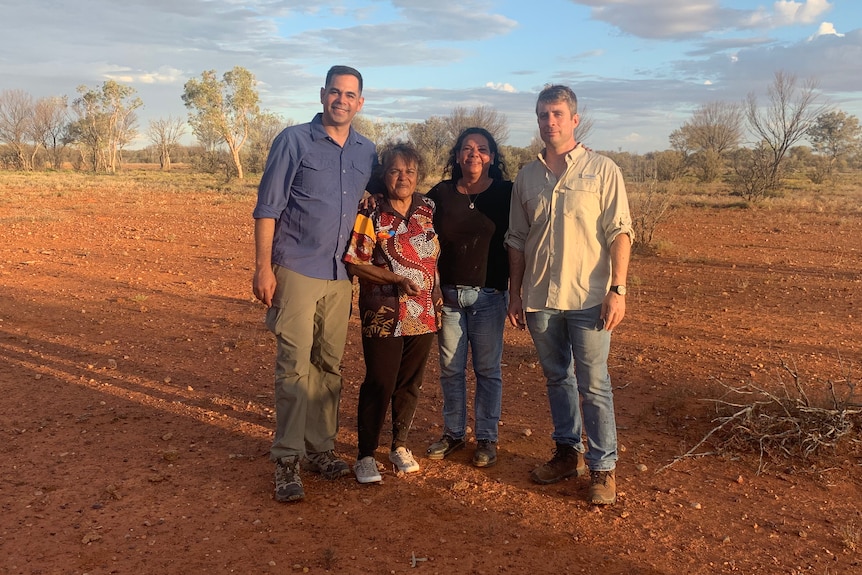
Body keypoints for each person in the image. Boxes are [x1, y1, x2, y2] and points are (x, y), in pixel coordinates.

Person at [252, 65, 377, 503]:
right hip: (298, 268)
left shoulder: (367, 151)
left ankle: (320, 448)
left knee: (329, 366)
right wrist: (263, 268)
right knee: (293, 366)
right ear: (323, 95)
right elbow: (268, 207)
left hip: (341, 276)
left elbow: (376, 203)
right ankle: (287, 457)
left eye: (350, 95)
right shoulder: (294, 140)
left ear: (361, 102)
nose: (342, 100)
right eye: (335, 92)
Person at [505, 84, 633, 505]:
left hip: (590, 298)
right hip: (541, 297)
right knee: (557, 378)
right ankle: (567, 454)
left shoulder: (602, 170)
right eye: (543, 114)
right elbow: (517, 239)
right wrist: (515, 294)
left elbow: (620, 231)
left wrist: (618, 288)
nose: (550, 122)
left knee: (594, 383)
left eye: (558, 114)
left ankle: (603, 468)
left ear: (575, 119)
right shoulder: (527, 176)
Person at [342, 143, 442, 484]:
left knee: (409, 383)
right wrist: (395, 279)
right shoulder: (371, 211)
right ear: (383, 175)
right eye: (396, 171)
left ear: (419, 176)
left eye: (410, 171)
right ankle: (366, 454)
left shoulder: (427, 208)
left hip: (423, 311)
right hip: (383, 311)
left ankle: (399, 445)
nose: (403, 177)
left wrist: (436, 294)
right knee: (380, 382)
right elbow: (356, 262)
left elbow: (432, 256)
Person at [424, 127, 512, 468]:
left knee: (488, 370)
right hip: (448, 297)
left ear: (492, 157)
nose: (473, 154)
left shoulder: (507, 192)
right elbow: (413, 216)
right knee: (450, 369)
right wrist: (372, 192)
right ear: (457, 155)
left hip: (490, 296)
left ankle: (487, 439)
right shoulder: (441, 194)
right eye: (466, 148)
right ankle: (454, 433)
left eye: (482, 149)